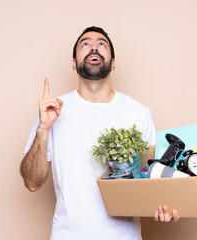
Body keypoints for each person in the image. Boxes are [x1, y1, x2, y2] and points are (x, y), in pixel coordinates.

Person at [20, 26, 180, 240]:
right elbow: (32, 182)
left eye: (101, 44)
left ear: (113, 63)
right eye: (85, 44)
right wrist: (43, 128)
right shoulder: (52, 111)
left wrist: (166, 206)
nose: (93, 47)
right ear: (74, 64)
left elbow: (150, 178)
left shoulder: (138, 113)